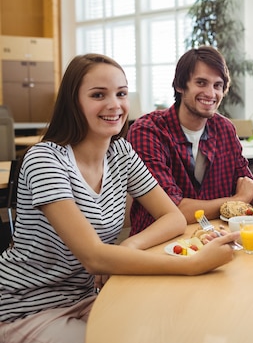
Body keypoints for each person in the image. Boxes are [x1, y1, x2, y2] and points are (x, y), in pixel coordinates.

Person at [0, 54, 238, 343]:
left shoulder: (120, 152)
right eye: (98, 95)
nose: (115, 105)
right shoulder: (45, 159)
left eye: (121, 94)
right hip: (26, 307)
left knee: (171, 327)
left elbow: (173, 217)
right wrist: (194, 264)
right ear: (72, 101)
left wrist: (130, 244)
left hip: (90, 296)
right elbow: (93, 257)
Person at [127, 46, 253, 234]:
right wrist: (239, 199)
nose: (211, 93)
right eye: (201, 83)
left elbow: (247, 188)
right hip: (159, 244)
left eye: (217, 85)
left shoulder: (224, 129)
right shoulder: (148, 130)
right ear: (180, 85)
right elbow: (171, 209)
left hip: (216, 238)